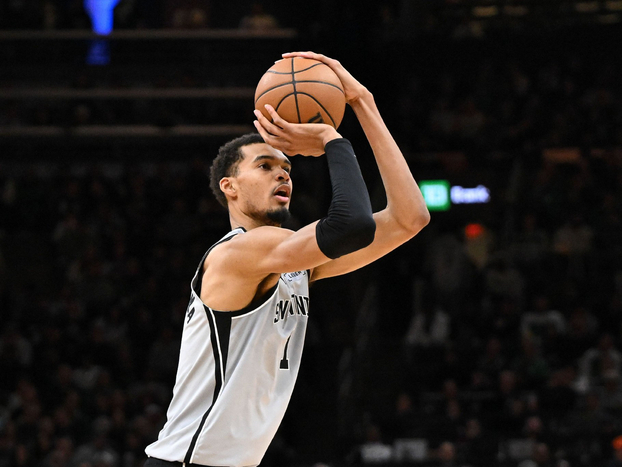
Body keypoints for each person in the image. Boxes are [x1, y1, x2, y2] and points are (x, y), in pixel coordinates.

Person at [143, 51, 430, 467]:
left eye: (287, 168)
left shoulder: (292, 261)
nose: (283, 174)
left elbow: (410, 218)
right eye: (265, 166)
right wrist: (331, 138)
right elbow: (350, 224)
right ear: (229, 187)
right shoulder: (237, 253)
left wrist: (363, 102)